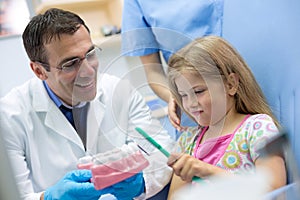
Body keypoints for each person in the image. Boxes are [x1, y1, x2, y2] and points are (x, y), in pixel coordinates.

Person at [0, 8, 173, 200]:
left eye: (90, 54)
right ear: (39, 71)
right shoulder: (9, 117)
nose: (88, 71)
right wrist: (47, 198)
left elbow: (163, 153)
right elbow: (10, 195)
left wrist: (143, 182)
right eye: (71, 63)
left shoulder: (120, 91)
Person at [166, 36, 287, 198]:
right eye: (183, 95)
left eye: (198, 91)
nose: (190, 103)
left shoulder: (257, 128)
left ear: (231, 84)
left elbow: (275, 192)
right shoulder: (187, 141)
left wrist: (208, 171)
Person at [121, 0, 224, 136]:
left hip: (253, 92)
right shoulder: (138, 3)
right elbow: (153, 71)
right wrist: (176, 97)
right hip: (196, 114)